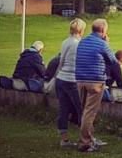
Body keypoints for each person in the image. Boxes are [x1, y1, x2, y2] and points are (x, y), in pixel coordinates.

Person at [76, 18, 118, 152]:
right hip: (95, 82)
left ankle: (90, 138)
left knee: (85, 112)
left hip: (80, 80)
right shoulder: (102, 44)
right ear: (104, 31)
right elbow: (113, 61)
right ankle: (85, 143)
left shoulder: (82, 41)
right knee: (90, 113)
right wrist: (107, 43)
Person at [55, 18, 86, 147]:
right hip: (72, 80)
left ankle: (64, 139)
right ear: (81, 30)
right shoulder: (78, 44)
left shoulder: (65, 42)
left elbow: (61, 61)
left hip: (61, 79)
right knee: (82, 110)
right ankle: (86, 138)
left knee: (64, 110)